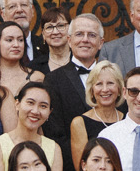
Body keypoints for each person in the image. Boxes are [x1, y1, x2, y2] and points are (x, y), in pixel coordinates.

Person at [45, 13, 110, 147]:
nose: (85, 40)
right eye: (79, 34)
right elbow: (55, 133)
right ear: (69, 40)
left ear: (101, 43)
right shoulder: (53, 80)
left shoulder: (112, 77)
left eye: (92, 35)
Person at [68, 60, 125, 165]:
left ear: (119, 89)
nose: (105, 89)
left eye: (110, 83)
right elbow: (81, 169)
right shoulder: (80, 123)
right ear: (92, 91)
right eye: (99, 84)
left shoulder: (128, 119)